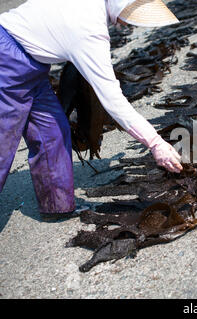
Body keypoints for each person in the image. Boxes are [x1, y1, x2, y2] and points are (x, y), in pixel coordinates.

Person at [0, 0, 183, 220]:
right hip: (5, 59)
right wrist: (155, 143)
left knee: (53, 130)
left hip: (33, 66)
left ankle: (56, 206)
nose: (130, 24)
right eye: (129, 16)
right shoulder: (89, 31)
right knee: (3, 143)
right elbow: (113, 100)